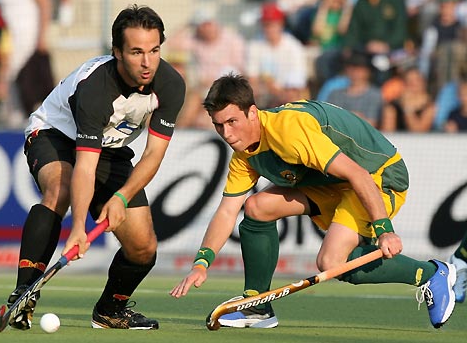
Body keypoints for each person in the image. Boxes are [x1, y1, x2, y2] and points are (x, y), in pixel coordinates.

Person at [170, 74, 456, 330]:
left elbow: (358, 174)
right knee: (257, 207)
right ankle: (257, 305)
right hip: (336, 184)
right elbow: (227, 211)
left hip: (378, 176)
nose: (227, 134)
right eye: (219, 126)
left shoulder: (289, 131)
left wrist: (384, 229)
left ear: (253, 113)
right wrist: (202, 262)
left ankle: (432, 273)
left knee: (331, 261)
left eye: (232, 122)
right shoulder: (244, 154)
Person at [3, 4, 185, 330]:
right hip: (55, 134)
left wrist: (122, 197)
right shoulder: (96, 89)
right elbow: (84, 167)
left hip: (110, 151)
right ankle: (24, 291)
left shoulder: (171, 84)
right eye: (136, 52)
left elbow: (153, 154)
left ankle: (110, 310)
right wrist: (77, 230)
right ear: (117, 52)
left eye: (155, 50)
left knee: (143, 247)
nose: (147, 62)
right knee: (60, 190)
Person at [0, 0, 52, 128]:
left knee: (27, 93)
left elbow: (44, 4)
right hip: (0, 46)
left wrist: (41, 39)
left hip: (25, 44)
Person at [246, 2, 309, 108]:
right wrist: (269, 88)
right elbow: (252, 78)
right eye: (266, 24)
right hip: (263, 94)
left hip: (287, 94)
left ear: (281, 24)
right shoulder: (255, 45)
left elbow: (298, 83)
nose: (269, 28)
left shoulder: (293, 46)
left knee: (293, 97)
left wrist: (280, 92)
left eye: (272, 24)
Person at [326, 50, 383, 128]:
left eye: (359, 69)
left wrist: (345, 117)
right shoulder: (335, 94)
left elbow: (371, 124)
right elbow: (330, 121)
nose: (354, 72)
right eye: (351, 68)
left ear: (368, 71)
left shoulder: (374, 95)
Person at [380, 66, 436, 132]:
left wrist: (408, 109)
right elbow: (388, 132)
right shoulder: (393, 106)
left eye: (417, 80)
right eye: (409, 81)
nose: (413, 84)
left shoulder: (429, 106)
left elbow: (419, 132)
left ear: (424, 83)